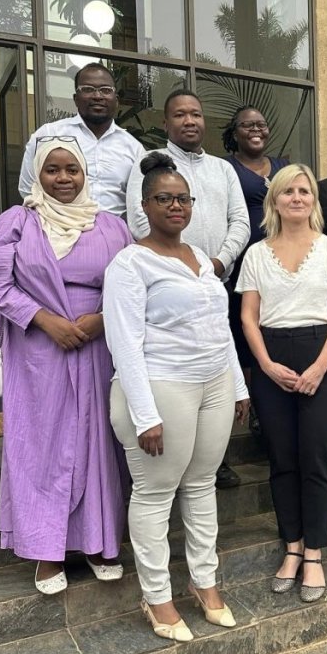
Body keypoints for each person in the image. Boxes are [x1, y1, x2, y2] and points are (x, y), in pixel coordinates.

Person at [104, 152, 250, 642]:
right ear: (144, 205)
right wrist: (145, 414)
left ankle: (204, 583)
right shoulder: (130, 263)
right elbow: (123, 342)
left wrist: (239, 385)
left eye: (183, 198)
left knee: (202, 484)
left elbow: (220, 329)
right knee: (154, 493)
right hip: (161, 388)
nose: (175, 206)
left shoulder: (201, 261)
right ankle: (157, 597)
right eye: (163, 198)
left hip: (214, 384)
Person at [0, 137, 131, 595]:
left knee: (98, 443)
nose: (63, 179)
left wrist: (103, 320)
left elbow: (131, 283)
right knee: (42, 445)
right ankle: (46, 550)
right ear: (37, 174)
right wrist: (47, 321)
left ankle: (98, 541)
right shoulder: (15, 224)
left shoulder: (111, 227)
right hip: (39, 353)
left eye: (72, 170)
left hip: (96, 346)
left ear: (86, 174)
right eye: (53, 170)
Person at [236, 164, 327, 602]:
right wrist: (264, 365)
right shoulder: (255, 254)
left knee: (316, 458)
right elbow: (249, 316)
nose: (297, 198)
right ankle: (291, 547)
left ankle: (315, 554)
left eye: (304, 191)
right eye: (288, 192)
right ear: (276, 200)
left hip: (320, 356)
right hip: (272, 360)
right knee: (282, 458)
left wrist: (321, 368)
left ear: (313, 201)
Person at [126, 89, 250, 489]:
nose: (190, 121)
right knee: (180, 375)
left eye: (196, 114)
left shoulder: (223, 169)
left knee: (218, 368)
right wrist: (178, 268)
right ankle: (177, 458)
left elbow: (241, 222)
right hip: (168, 293)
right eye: (180, 115)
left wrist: (216, 264)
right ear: (167, 123)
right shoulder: (148, 166)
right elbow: (138, 221)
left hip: (217, 284)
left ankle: (218, 458)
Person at [18, 63, 144, 217]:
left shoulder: (134, 148)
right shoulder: (48, 134)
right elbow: (28, 189)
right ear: (75, 99)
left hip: (115, 236)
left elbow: (140, 201)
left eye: (106, 90)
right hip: (58, 233)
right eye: (88, 89)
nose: (97, 96)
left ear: (116, 100)